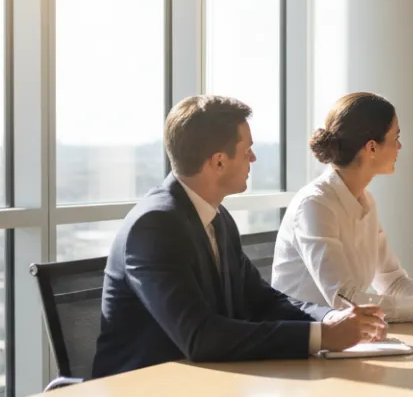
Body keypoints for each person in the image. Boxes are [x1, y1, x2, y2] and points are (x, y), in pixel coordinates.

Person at [93, 96, 385, 379]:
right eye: (247, 151)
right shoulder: (155, 226)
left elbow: (261, 300)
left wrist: (328, 318)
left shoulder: (217, 218)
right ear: (219, 162)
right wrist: (322, 337)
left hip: (204, 386)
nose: (254, 158)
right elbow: (200, 337)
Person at [273, 91, 413, 321]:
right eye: (395, 138)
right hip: (305, 341)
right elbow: (346, 301)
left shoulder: (365, 201)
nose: (400, 147)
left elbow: (393, 282)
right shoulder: (315, 205)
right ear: (371, 148)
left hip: (346, 339)